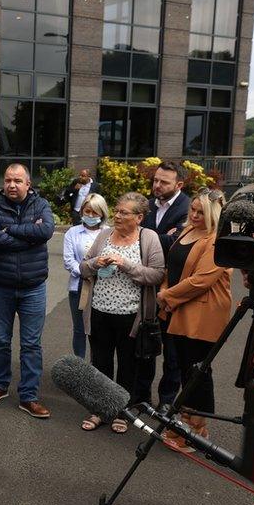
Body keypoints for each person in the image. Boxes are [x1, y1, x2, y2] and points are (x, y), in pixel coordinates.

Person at [79, 192, 165, 433]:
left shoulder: (148, 238)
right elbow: (83, 267)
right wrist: (96, 263)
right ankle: (100, 410)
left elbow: (157, 274)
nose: (116, 215)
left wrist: (127, 265)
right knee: (100, 363)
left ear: (139, 217)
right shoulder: (105, 235)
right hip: (99, 311)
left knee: (128, 366)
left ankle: (122, 412)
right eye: (116, 211)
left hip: (131, 316)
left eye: (123, 212)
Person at [157, 189, 230, 451]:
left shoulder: (217, 240)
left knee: (198, 371)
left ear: (214, 214)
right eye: (193, 210)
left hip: (203, 312)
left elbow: (202, 280)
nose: (195, 215)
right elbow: (171, 266)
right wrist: (165, 289)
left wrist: (166, 295)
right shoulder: (187, 231)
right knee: (186, 367)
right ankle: (186, 418)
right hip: (179, 307)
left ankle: (198, 428)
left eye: (202, 212)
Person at [0, 164, 55, 418]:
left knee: (31, 344)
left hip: (33, 288)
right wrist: (29, 236)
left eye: (18, 180)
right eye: (8, 180)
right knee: (0, 340)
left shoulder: (41, 205)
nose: (12, 185)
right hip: (0, 287)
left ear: (28, 184)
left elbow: (45, 231)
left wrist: (10, 229)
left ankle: (29, 396)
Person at [138, 161, 191, 408]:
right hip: (146, 288)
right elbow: (133, 236)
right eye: (155, 180)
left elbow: (175, 243)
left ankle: (166, 404)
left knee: (173, 356)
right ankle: (141, 398)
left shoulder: (188, 208)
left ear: (179, 184)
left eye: (164, 182)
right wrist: (163, 237)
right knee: (144, 347)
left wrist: (146, 237)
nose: (156, 185)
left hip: (172, 292)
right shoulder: (147, 205)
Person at [63, 193, 109, 359]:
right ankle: (79, 365)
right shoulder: (73, 233)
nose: (90, 215)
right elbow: (69, 261)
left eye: (95, 212)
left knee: (98, 330)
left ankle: (97, 364)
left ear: (102, 213)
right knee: (79, 329)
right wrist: (86, 272)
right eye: (87, 211)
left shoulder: (109, 232)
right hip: (78, 287)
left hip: (104, 287)